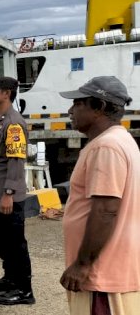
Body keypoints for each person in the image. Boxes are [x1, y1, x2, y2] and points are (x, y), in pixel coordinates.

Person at [58, 76, 140, 314]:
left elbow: (106, 210)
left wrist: (83, 264)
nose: (70, 110)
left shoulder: (106, 147)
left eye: (79, 103)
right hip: (113, 268)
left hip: (103, 274)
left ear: (100, 107)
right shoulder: (121, 140)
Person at [0, 76, 35, 305]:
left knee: (14, 243)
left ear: (6, 93)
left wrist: (8, 194)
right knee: (1, 240)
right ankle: (10, 278)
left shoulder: (13, 123)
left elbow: (15, 161)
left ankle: (24, 290)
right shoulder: (0, 120)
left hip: (6, 197)